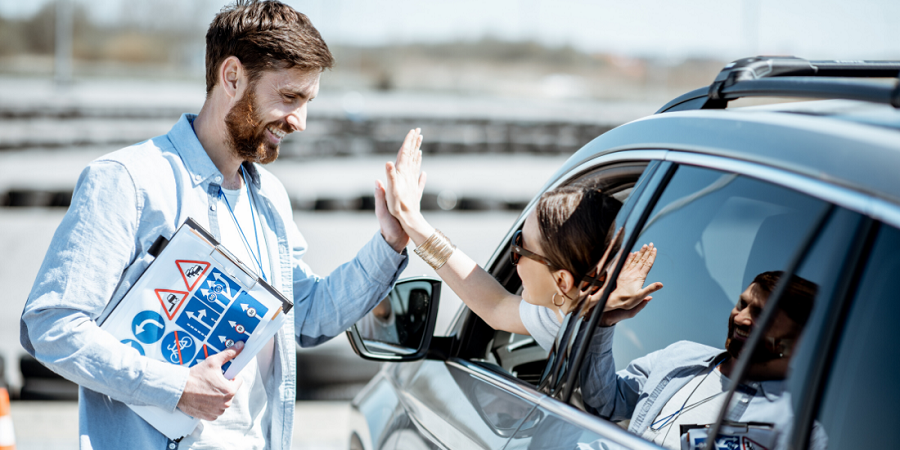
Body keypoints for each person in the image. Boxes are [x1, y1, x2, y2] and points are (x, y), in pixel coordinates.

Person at [19, 2, 421, 449]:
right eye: (289, 97)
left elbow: (303, 317)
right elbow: (53, 326)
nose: (300, 122)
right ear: (231, 77)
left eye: (308, 103)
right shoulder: (127, 181)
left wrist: (390, 242)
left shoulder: (269, 199)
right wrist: (175, 386)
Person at [380, 127, 663, 351]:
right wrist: (412, 220)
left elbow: (495, 305)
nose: (513, 259)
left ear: (562, 281)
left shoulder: (573, 319)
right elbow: (494, 305)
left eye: (519, 249)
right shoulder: (564, 311)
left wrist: (412, 220)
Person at [580, 271, 821, 450]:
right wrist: (603, 323)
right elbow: (604, 402)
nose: (741, 318)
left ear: (798, 340)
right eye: (742, 304)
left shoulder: (799, 432)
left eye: (761, 314)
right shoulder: (681, 356)